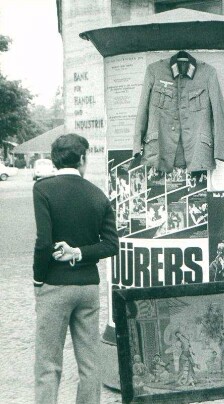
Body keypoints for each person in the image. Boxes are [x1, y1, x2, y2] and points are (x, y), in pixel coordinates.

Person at [32, 134, 119, 404]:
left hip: (55, 285)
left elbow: (44, 242)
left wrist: (38, 280)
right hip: (88, 287)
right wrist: (79, 252)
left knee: (48, 363)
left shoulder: (43, 189)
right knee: (90, 362)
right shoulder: (98, 195)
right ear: (82, 159)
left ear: (55, 159)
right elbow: (111, 245)